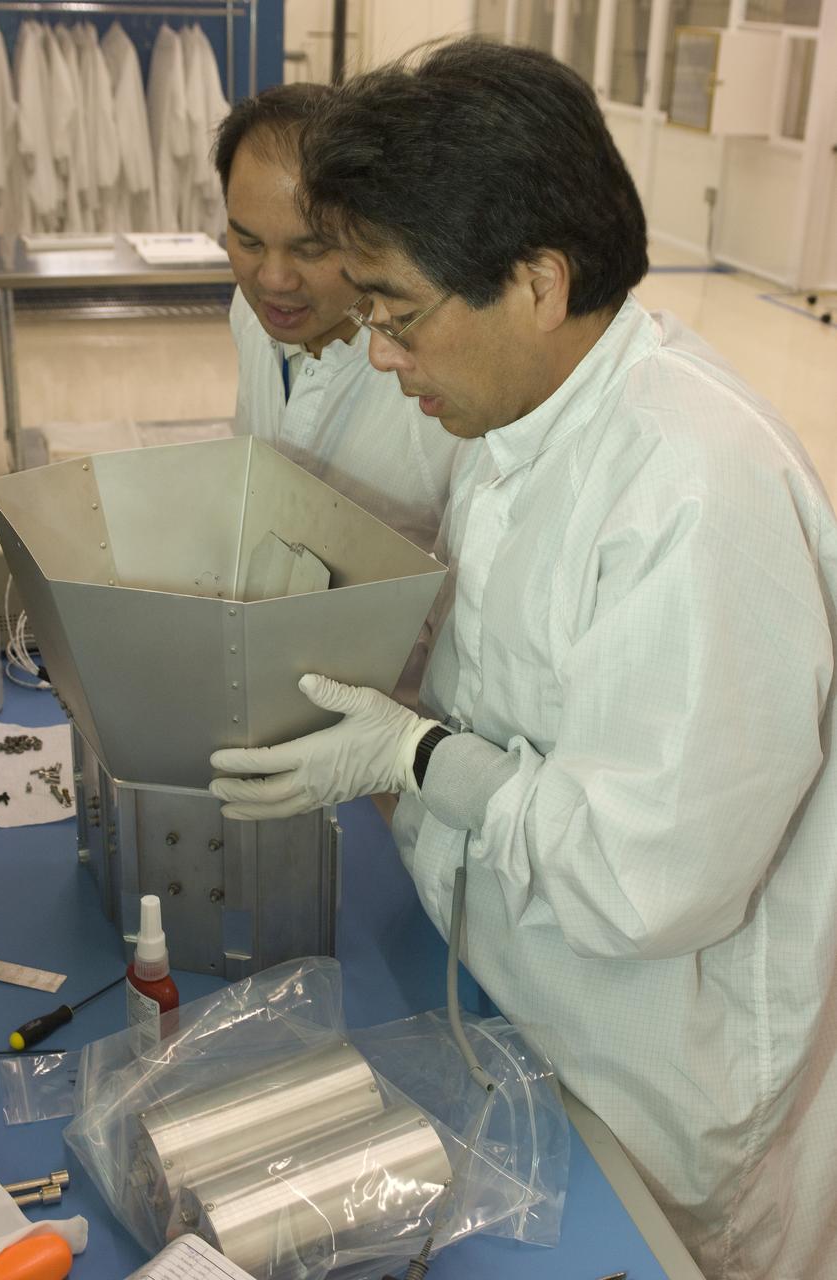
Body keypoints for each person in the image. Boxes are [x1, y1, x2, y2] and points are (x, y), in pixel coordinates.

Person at [209, 40, 837, 1280]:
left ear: (538, 282)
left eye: (398, 315)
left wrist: (419, 758)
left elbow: (646, 883)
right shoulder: (521, 420)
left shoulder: (692, 492)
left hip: (651, 1096)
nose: (379, 354)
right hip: (512, 1005)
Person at [212, 83, 461, 551]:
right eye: (248, 242)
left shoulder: (440, 381)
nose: (273, 279)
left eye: (310, 250)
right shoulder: (249, 313)